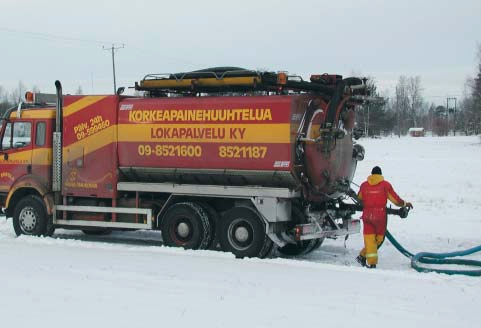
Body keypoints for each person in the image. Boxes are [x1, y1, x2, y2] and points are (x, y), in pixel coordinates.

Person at [356, 166, 413, 269]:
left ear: (371, 174)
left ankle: (364, 258)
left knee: (369, 239)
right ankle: (369, 261)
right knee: (379, 240)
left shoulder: (364, 185)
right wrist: (405, 204)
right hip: (380, 217)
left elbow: (359, 198)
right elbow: (396, 200)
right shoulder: (385, 185)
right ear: (380, 174)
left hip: (367, 215)